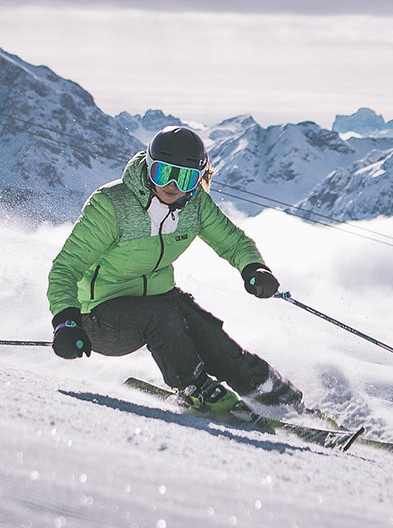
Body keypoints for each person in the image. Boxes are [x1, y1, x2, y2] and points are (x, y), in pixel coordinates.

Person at [47, 126, 303, 414]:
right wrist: (66, 321)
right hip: (95, 318)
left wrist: (254, 268)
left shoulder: (195, 206)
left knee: (206, 331)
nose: (172, 185)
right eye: (162, 173)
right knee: (161, 317)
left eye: (184, 177)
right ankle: (194, 387)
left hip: (157, 300)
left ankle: (271, 393)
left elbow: (232, 242)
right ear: (148, 167)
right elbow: (65, 268)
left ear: (197, 179)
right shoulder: (111, 206)